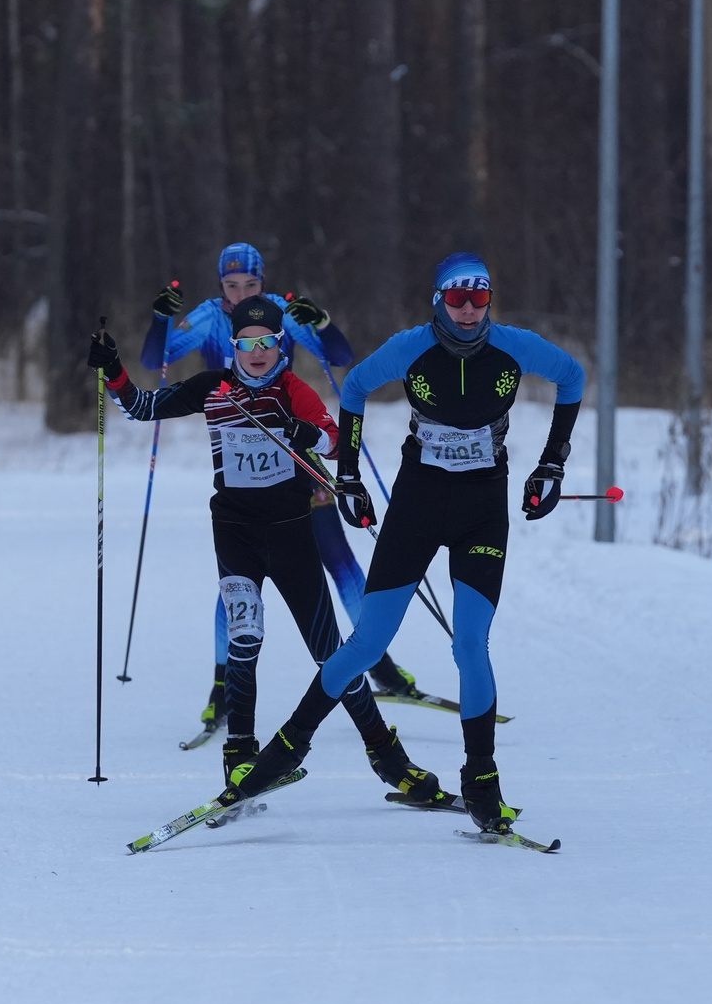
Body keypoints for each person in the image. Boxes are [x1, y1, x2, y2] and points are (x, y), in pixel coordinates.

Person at [217, 253, 584, 834]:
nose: (468, 310)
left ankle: (482, 781)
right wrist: (351, 478)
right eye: (456, 299)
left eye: (479, 298)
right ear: (437, 300)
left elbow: (572, 378)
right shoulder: (411, 346)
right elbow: (357, 386)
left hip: (482, 511)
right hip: (417, 504)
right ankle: (282, 755)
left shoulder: (514, 345)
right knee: (366, 645)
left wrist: (552, 467)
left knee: (470, 645)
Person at [88, 297, 449, 801]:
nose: (257, 352)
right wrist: (113, 372)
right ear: (233, 344)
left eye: (267, 342)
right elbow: (143, 408)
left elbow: (337, 442)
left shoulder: (291, 390)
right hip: (234, 532)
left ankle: (388, 759)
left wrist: (310, 435)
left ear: (280, 343)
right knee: (245, 634)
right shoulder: (213, 387)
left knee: (331, 656)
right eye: (247, 343)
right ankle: (239, 759)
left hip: (291, 533)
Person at [139, 241, 436, 739]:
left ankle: (377, 661)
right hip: (240, 464)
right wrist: (159, 320)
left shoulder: (280, 314)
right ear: (220, 287)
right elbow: (155, 360)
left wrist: (321, 323)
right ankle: (223, 685)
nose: (240, 295)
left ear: (263, 282)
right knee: (238, 578)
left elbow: (340, 356)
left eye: (249, 285)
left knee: (339, 558)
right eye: (231, 286)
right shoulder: (212, 318)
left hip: (297, 450)